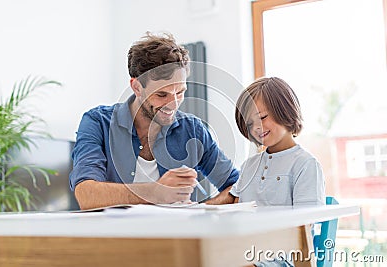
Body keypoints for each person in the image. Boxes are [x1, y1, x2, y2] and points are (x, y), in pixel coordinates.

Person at [70, 32, 239, 210]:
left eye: (180, 92)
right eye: (161, 94)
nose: (173, 103)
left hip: (175, 236)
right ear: (136, 87)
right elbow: (86, 194)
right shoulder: (98, 123)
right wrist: (156, 192)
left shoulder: (193, 130)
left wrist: (198, 210)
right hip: (116, 236)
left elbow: (236, 187)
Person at [227, 77, 326, 267]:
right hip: (246, 251)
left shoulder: (305, 164)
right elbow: (237, 212)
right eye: (250, 124)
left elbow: (305, 226)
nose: (257, 127)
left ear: (285, 110)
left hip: (284, 258)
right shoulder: (249, 165)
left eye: (262, 118)